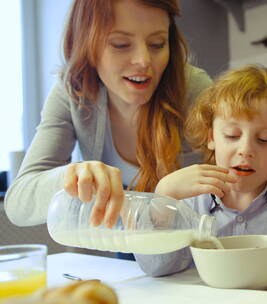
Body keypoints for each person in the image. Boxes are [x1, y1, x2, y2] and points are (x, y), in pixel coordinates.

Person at [5, 0, 238, 229]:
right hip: (118, 246)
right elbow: (18, 204)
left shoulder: (193, 89)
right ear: (88, 45)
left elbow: (242, 184)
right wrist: (72, 175)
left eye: (157, 44)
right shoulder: (73, 91)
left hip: (188, 245)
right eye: (120, 44)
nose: (143, 60)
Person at [135, 65, 267, 287]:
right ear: (212, 136)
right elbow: (154, 267)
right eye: (232, 135)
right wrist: (163, 197)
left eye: (264, 139)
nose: (245, 149)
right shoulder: (188, 203)